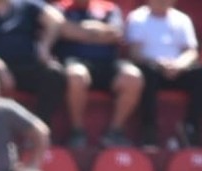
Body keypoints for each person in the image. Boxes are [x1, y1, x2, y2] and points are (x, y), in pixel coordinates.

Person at [0, 0, 69, 126]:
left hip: (28, 66)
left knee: (54, 73)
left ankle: (40, 125)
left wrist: (45, 46)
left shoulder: (27, 5)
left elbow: (56, 20)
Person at [123, 0, 202, 148]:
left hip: (178, 69)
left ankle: (190, 127)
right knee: (147, 73)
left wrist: (179, 65)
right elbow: (134, 53)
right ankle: (149, 129)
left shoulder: (182, 19)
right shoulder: (137, 17)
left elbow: (192, 51)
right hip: (151, 68)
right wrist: (159, 63)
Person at [57, 0, 141, 147]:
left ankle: (115, 131)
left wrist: (81, 31)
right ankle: (77, 131)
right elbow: (64, 30)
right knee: (76, 76)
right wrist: (100, 32)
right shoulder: (61, 7)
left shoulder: (109, 8)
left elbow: (116, 33)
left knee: (133, 77)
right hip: (75, 61)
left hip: (107, 63)